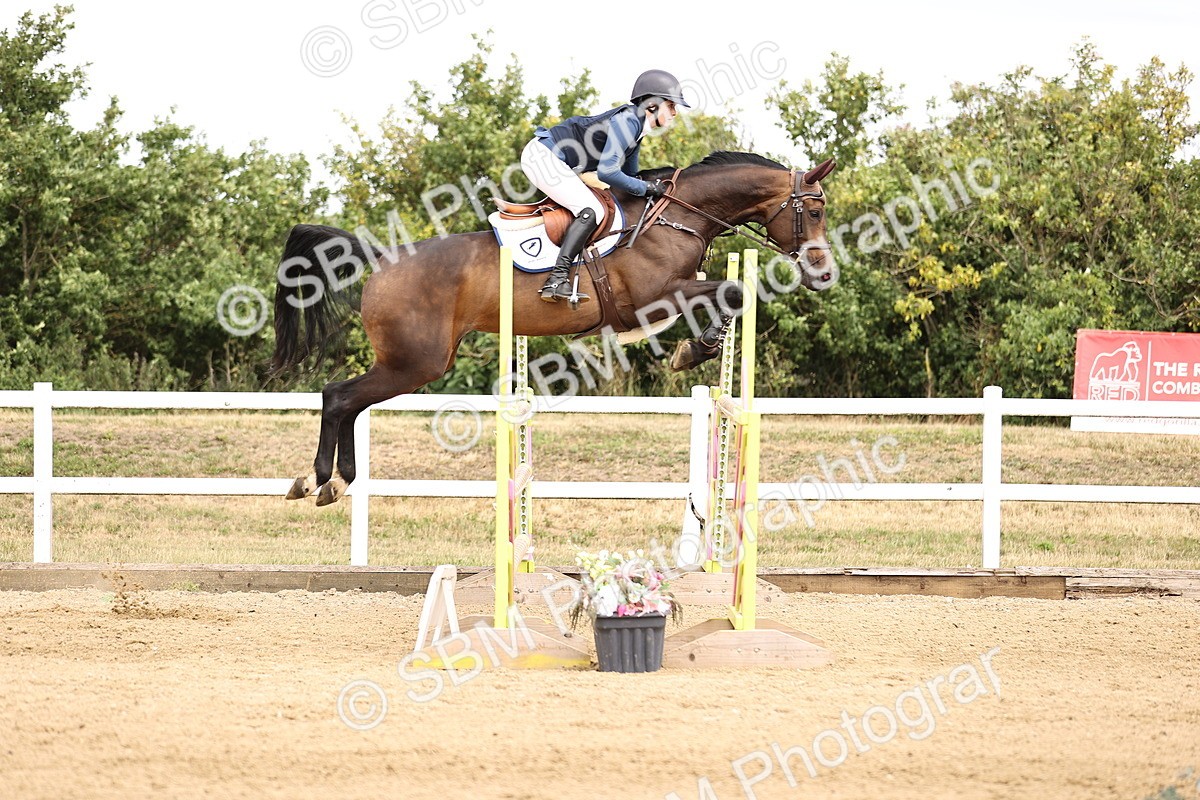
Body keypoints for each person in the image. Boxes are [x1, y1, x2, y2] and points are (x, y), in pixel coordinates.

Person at [520, 69, 690, 304]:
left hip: (556, 160)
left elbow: (631, 175)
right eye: (671, 106)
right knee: (592, 211)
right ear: (652, 104)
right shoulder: (628, 121)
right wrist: (646, 188)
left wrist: (652, 185)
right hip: (544, 158)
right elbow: (608, 172)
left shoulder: (637, 128)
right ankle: (556, 279)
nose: (674, 113)